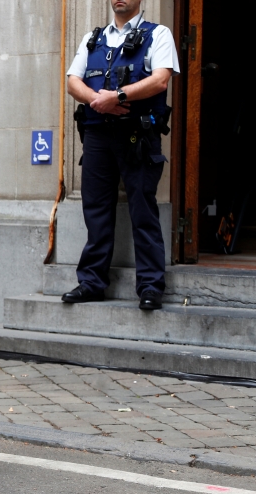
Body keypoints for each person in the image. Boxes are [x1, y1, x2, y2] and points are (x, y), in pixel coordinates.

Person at [63, 0, 179, 311]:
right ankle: (91, 283)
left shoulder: (159, 34)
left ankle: (151, 286)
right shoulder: (92, 38)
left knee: (143, 210)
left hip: (137, 136)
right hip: (98, 136)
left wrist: (120, 96)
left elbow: (160, 79)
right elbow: (74, 81)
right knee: (96, 210)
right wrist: (99, 101)